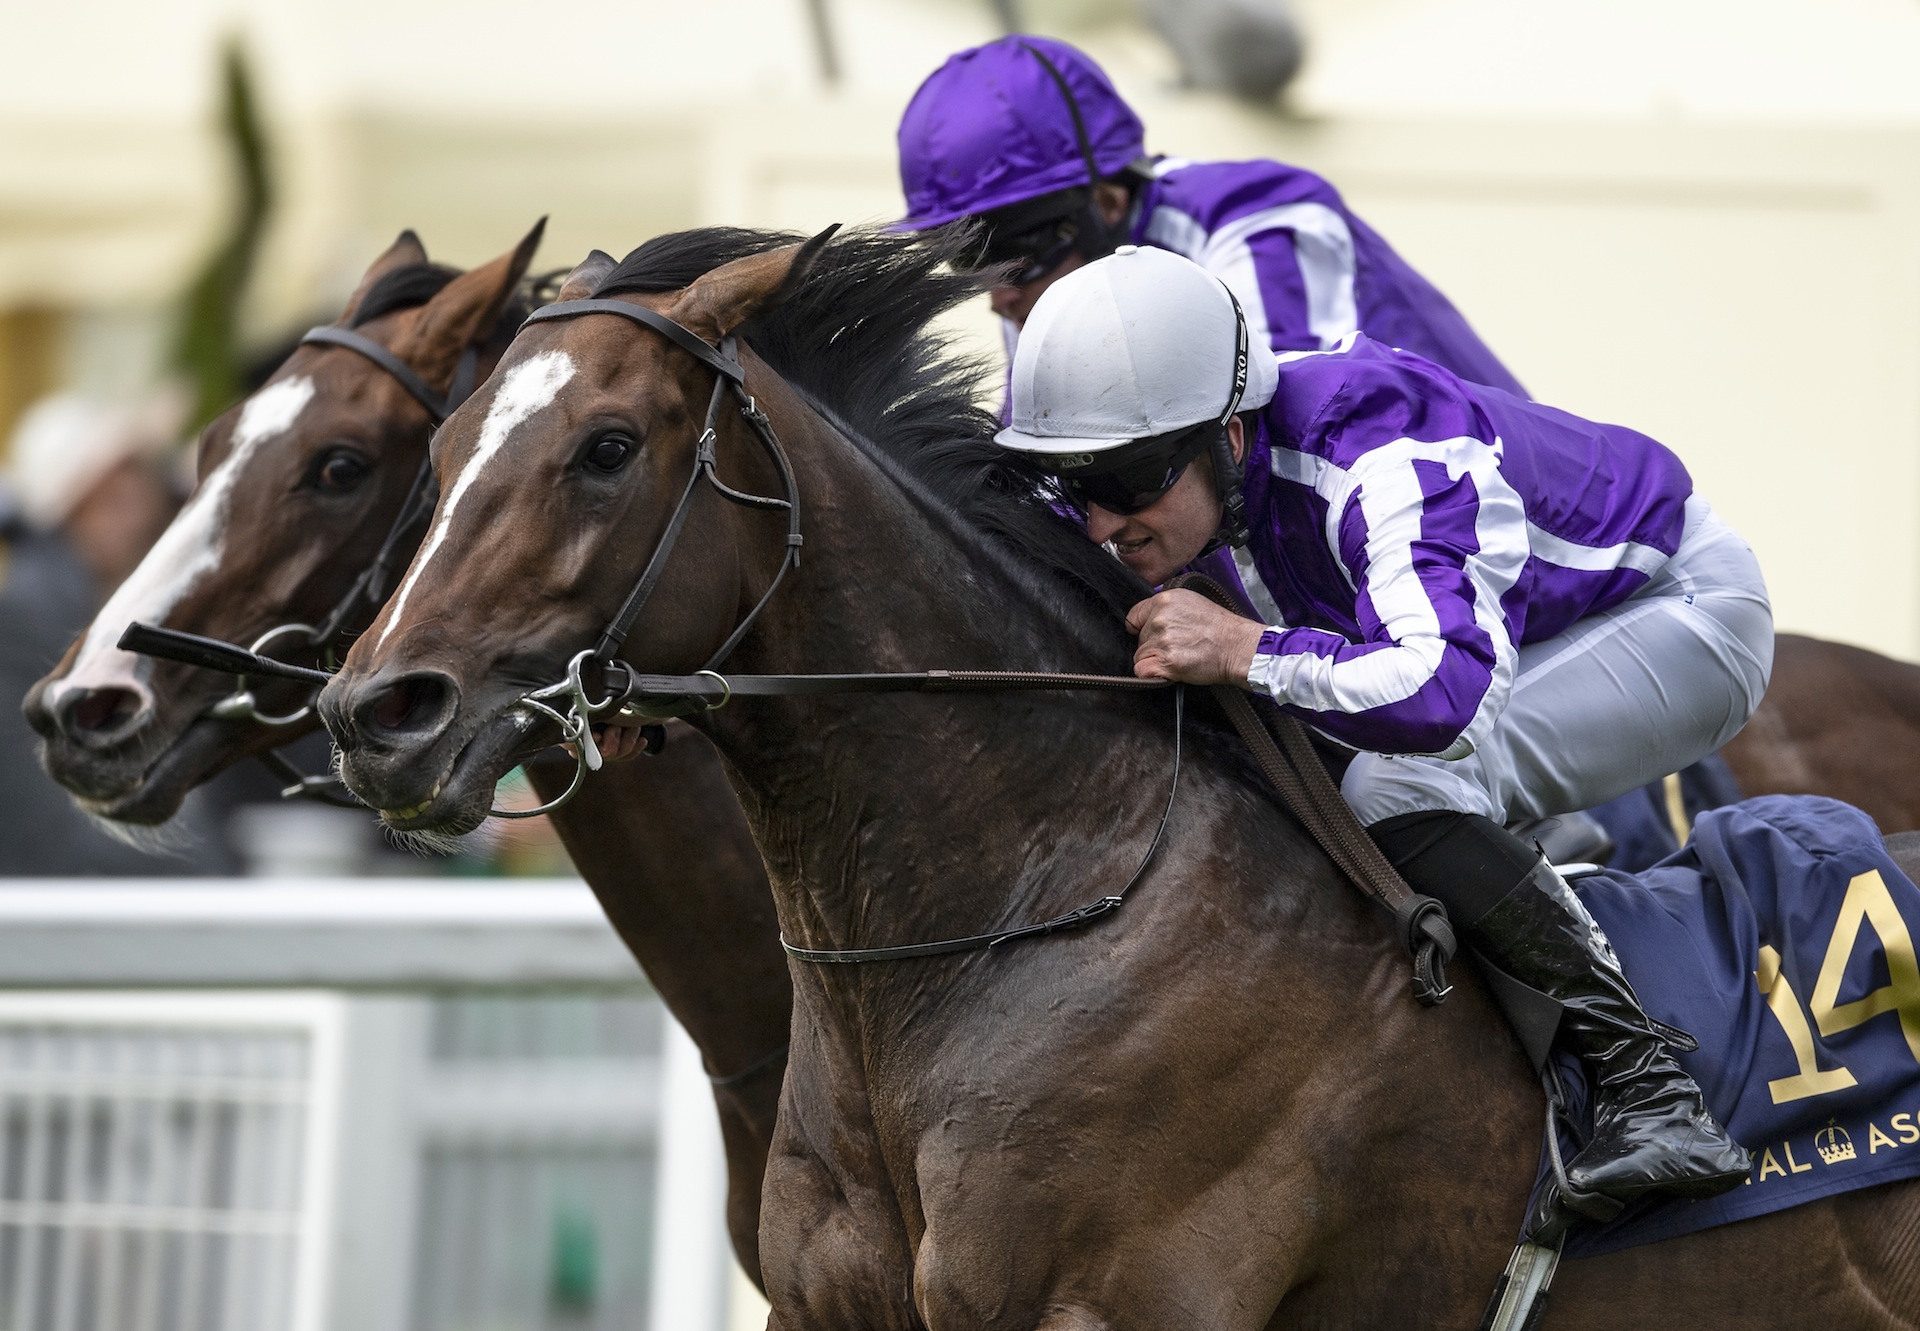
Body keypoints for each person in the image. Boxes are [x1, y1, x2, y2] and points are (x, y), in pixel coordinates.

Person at [992, 244, 1774, 1216]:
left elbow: (1443, 695)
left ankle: (1650, 1090)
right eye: (1075, 483)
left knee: (1401, 783)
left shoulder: (1385, 455)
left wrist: (1246, 648)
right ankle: (1521, 854)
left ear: (1228, 438)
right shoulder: (1175, 471)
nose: (1103, 521)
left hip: (1680, 609)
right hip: (1516, 636)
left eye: (1125, 479)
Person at [895, 34, 1523, 397]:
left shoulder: (1261, 220)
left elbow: (1285, 441)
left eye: (1012, 257)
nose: (997, 297)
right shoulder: (1044, 291)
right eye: (969, 264)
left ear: (1106, 204)